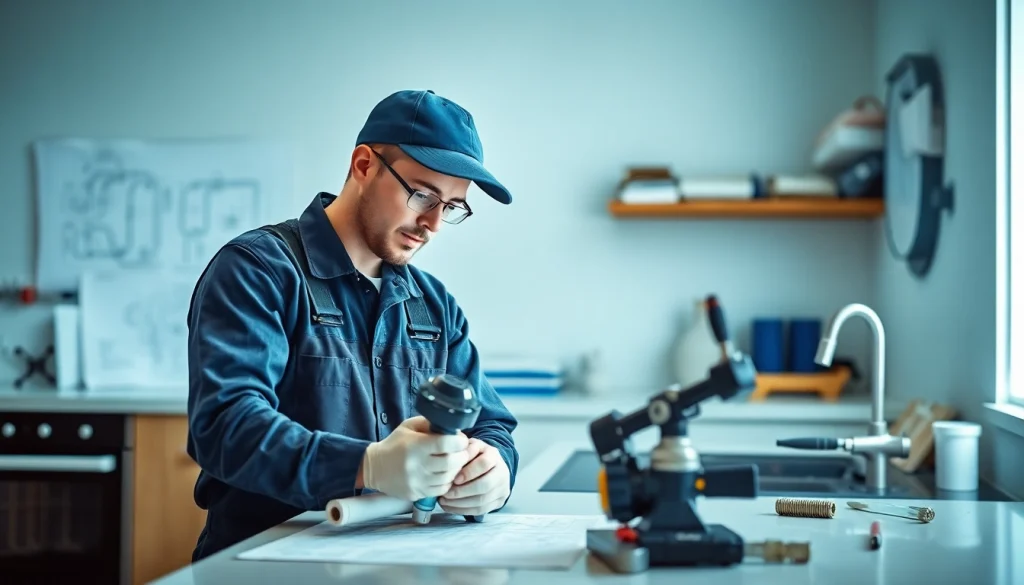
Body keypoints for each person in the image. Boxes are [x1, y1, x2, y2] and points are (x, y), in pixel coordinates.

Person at [184, 89, 520, 561]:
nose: (432, 224)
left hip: (395, 566)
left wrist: (496, 471)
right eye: (422, 194)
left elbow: (491, 425)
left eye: (450, 207)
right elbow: (225, 428)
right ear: (364, 165)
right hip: (262, 568)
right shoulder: (257, 271)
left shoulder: (435, 305)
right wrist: (366, 466)